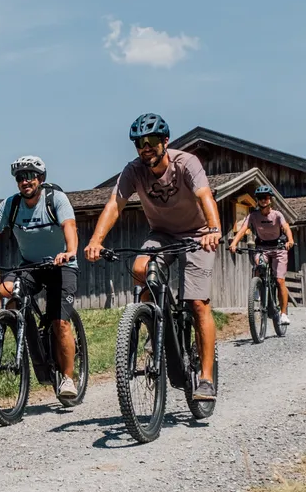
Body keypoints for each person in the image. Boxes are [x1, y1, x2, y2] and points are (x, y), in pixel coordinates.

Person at [84, 113, 221, 400]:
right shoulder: (133, 170)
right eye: (139, 143)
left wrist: (213, 229)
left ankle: (206, 378)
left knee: (197, 303)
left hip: (197, 234)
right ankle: (153, 324)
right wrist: (96, 240)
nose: (145, 147)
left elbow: (205, 196)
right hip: (161, 234)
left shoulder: (186, 163)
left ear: (165, 141)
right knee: (139, 269)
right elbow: (114, 205)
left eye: (152, 141)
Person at [0, 156, 80, 398]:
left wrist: (70, 251)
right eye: (20, 177)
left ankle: (68, 379)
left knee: (60, 323)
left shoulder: (55, 199)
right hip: (31, 265)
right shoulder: (11, 204)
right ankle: (25, 332)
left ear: (41, 178)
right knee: (6, 290)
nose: (25, 181)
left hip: (61, 265)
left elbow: (69, 226)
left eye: (29, 176)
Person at [229, 185, 294, 324]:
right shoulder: (253, 216)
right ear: (257, 200)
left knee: (280, 280)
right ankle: (257, 288)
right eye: (260, 198)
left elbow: (286, 227)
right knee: (258, 264)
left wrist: (290, 240)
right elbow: (243, 229)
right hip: (262, 247)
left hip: (279, 248)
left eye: (266, 197)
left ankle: (283, 314)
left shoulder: (277, 215)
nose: (263, 200)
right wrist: (234, 243)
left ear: (270, 199)